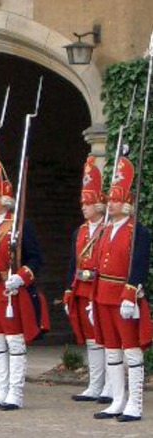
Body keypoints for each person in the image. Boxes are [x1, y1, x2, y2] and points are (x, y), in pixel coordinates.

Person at [0, 148, 47, 411]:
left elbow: (36, 259)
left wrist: (21, 277)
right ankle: (1, 389)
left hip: (9, 292)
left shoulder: (18, 225)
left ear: (5, 199)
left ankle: (15, 392)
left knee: (14, 342)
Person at [92, 156, 151, 422]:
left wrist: (130, 294)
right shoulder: (105, 230)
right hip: (103, 296)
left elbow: (139, 264)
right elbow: (97, 267)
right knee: (111, 350)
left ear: (126, 203)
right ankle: (117, 400)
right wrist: (93, 299)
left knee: (131, 350)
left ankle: (135, 403)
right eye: (110, 199)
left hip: (123, 298)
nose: (111, 203)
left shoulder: (137, 231)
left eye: (116, 200)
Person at [63, 155, 112, 403]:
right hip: (82, 288)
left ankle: (110, 387)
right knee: (92, 340)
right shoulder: (80, 231)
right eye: (83, 203)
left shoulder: (107, 229)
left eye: (88, 203)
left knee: (106, 339)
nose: (83, 207)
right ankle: (95, 384)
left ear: (99, 205)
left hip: (100, 289)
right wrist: (68, 290)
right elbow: (74, 263)